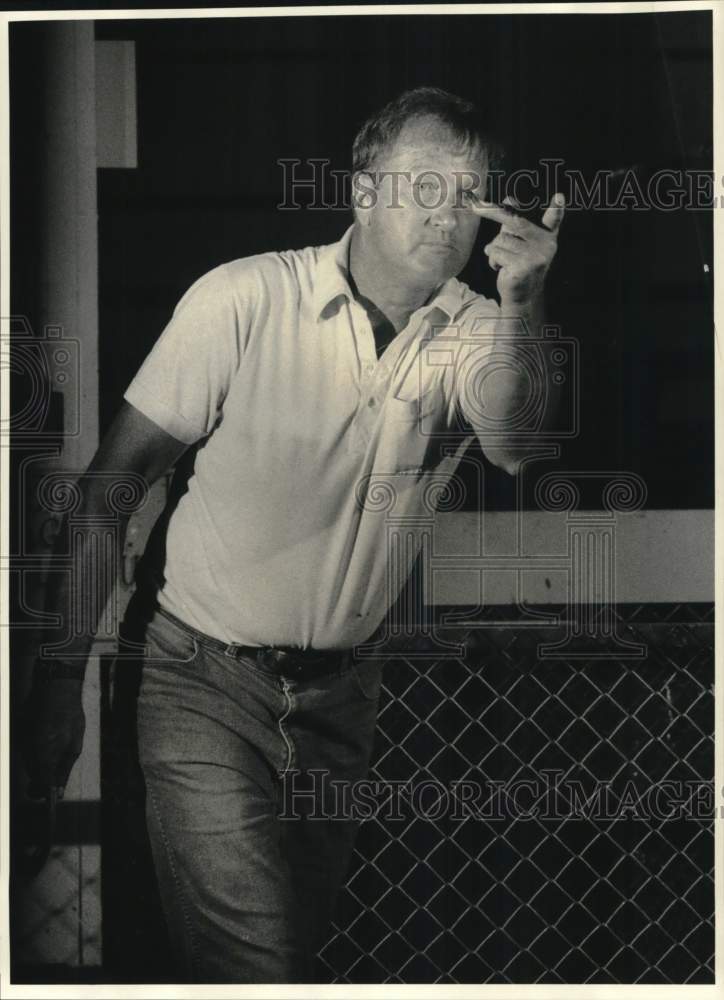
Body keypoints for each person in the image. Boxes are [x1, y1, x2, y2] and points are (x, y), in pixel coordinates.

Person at [23, 86, 565, 982]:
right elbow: (107, 489)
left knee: (284, 962)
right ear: (360, 191)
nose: (448, 211)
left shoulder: (477, 328)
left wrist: (525, 297)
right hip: (199, 684)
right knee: (259, 968)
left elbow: (513, 443)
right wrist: (55, 686)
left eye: (470, 192)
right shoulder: (246, 298)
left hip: (341, 704)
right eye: (423, 181)